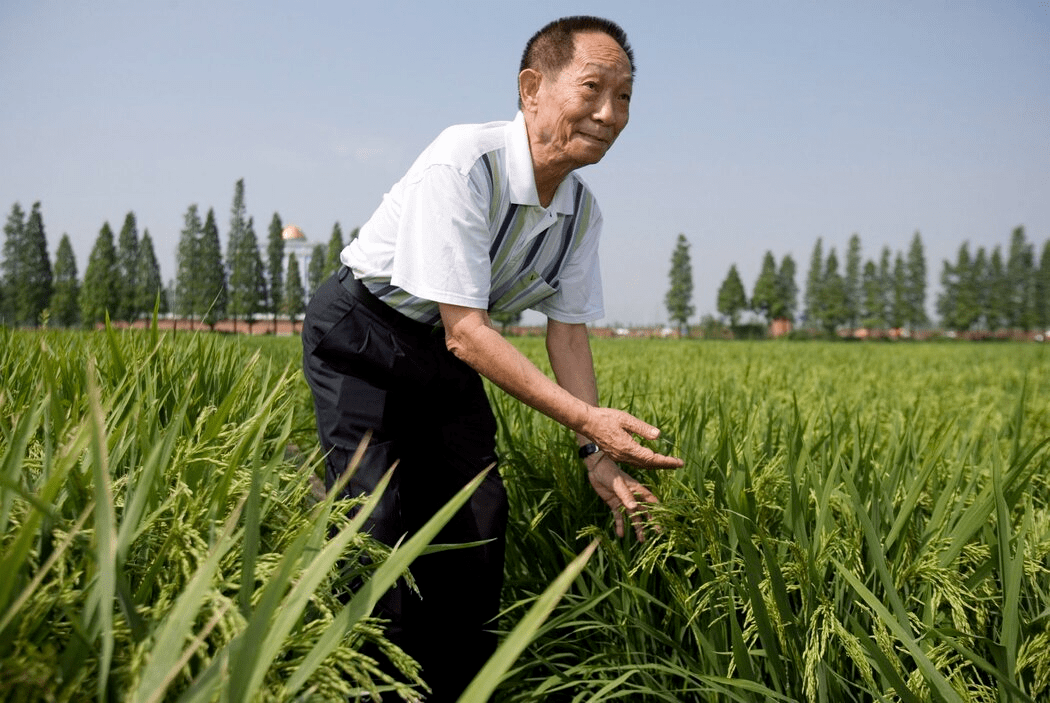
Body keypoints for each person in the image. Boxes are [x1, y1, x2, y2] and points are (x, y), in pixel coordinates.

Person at [302, 15, 683, 701]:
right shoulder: (464, 162)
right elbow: (469, 333)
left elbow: (565, 333)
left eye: (624, 96)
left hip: (440, 347)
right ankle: (368, 684)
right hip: (362, 330)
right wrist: (590, 421)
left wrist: (595, 452)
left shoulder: (581, 213)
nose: (610, 113)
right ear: (532, 88)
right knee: (377, 523)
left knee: (479, 517)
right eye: (593, 88)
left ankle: (457, 686)